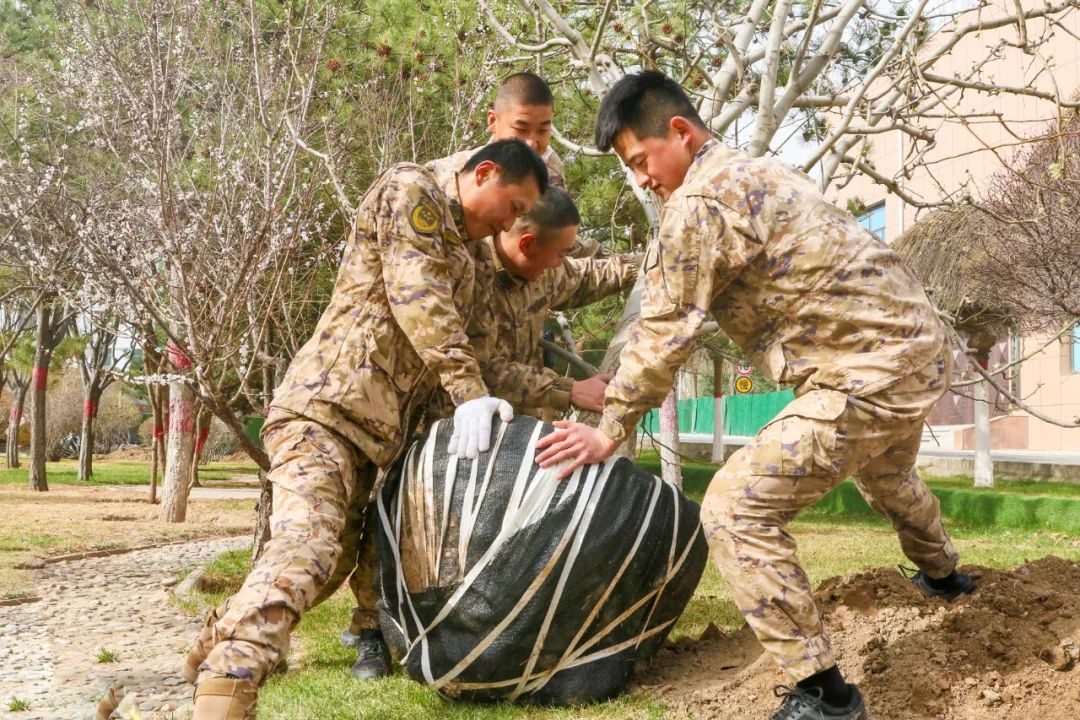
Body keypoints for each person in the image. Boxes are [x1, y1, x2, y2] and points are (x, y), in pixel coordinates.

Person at [534, 71, 974, 720]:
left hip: (863, 373)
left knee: (734, 510)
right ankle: (946, 578)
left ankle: (824, 697)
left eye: (639, 161)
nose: (642, 180)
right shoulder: (764, 171)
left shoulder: (699, 203)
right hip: (919, 350)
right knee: (889, 475)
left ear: (679, 132)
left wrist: (611, 426)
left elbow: (664, 329)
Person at [184, 139, 547, 719]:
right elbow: (416, 293)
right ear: (485, 173)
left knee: (322, 574)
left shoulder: (475, 260)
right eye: (514, 204)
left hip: (376, 439)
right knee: (309, 547)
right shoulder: (413, 193)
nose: (512, 221)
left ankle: (212, 646)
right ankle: (226, 688)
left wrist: (561, 391)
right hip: (323, 411)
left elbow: (485, 357)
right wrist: (467, 390)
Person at [329, 186, 638, 681]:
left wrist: (656, 263)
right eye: (556, 254)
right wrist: (569, 389)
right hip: (441, 427)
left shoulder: (541, 275)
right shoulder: (468, 278)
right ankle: (372, 631)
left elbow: (591, 275)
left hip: (506, 440)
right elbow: (486, 370)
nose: (561, 266)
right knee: (394, 527)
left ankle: (457, 628)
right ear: (527, 244)